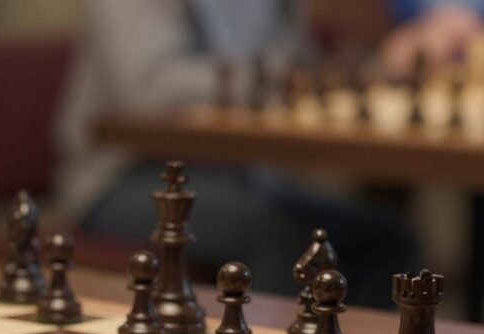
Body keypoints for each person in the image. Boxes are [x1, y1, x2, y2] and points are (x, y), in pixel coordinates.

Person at [53, 0, 481, 307]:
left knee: (388, 242)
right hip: (125, 180)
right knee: (289, 243)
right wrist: (288, 80)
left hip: (242, 176)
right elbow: (149, 90)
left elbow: (298, 67)